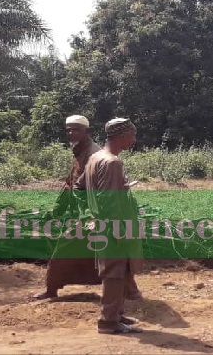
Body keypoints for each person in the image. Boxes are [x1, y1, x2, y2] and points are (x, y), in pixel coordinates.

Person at [30, 115, 102, 300]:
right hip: (83, 212)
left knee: (65, 246)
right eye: (68, 130)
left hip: (92, 213)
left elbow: (90, 188)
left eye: (75, 129)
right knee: (104, 252)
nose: (71, 133)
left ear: (88, 132)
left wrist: (90, 216)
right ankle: (129, 290)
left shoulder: (94, 154)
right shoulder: (79, 152)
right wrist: (57, 209)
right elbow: (70, 183)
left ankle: (51, 288)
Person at [83, 118, 144, 334]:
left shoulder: (95, 158)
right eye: (132, 135)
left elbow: (84, 187)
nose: (134, 139)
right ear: (121, 136)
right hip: (112, 226)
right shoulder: (112, 162)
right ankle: (108, 322)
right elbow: (109, 200)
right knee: (115, 274)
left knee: (120, 272)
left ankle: (116, 314)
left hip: (101, 223)